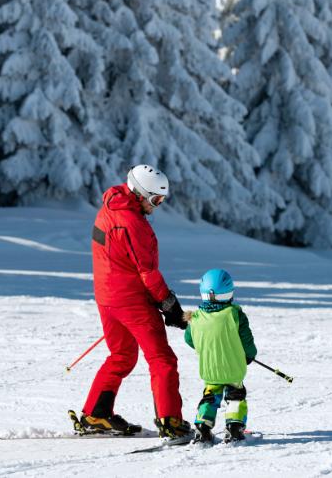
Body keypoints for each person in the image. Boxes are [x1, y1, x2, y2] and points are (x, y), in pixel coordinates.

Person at [79, 164, 192, 439]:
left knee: (121, 356)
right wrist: (169, 305)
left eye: (162, 200)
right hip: (131, 301)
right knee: (162, 359)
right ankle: (170, 421)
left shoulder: (110, 206)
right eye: (156, 199)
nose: (158, 205)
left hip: (107, 297)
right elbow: (148, 273)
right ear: (140, 193)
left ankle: (96, 414)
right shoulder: (132, 223)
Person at [184, 268, 257, 443]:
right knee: (235, 395)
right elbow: (246, 340)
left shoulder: (195, 318)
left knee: (210, 395)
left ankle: (203, 425)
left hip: (210, 368)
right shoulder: (234, 314)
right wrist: (249, 355)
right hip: (233, 368)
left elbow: (189, 339)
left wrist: (208, 347)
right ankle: (234, 426)